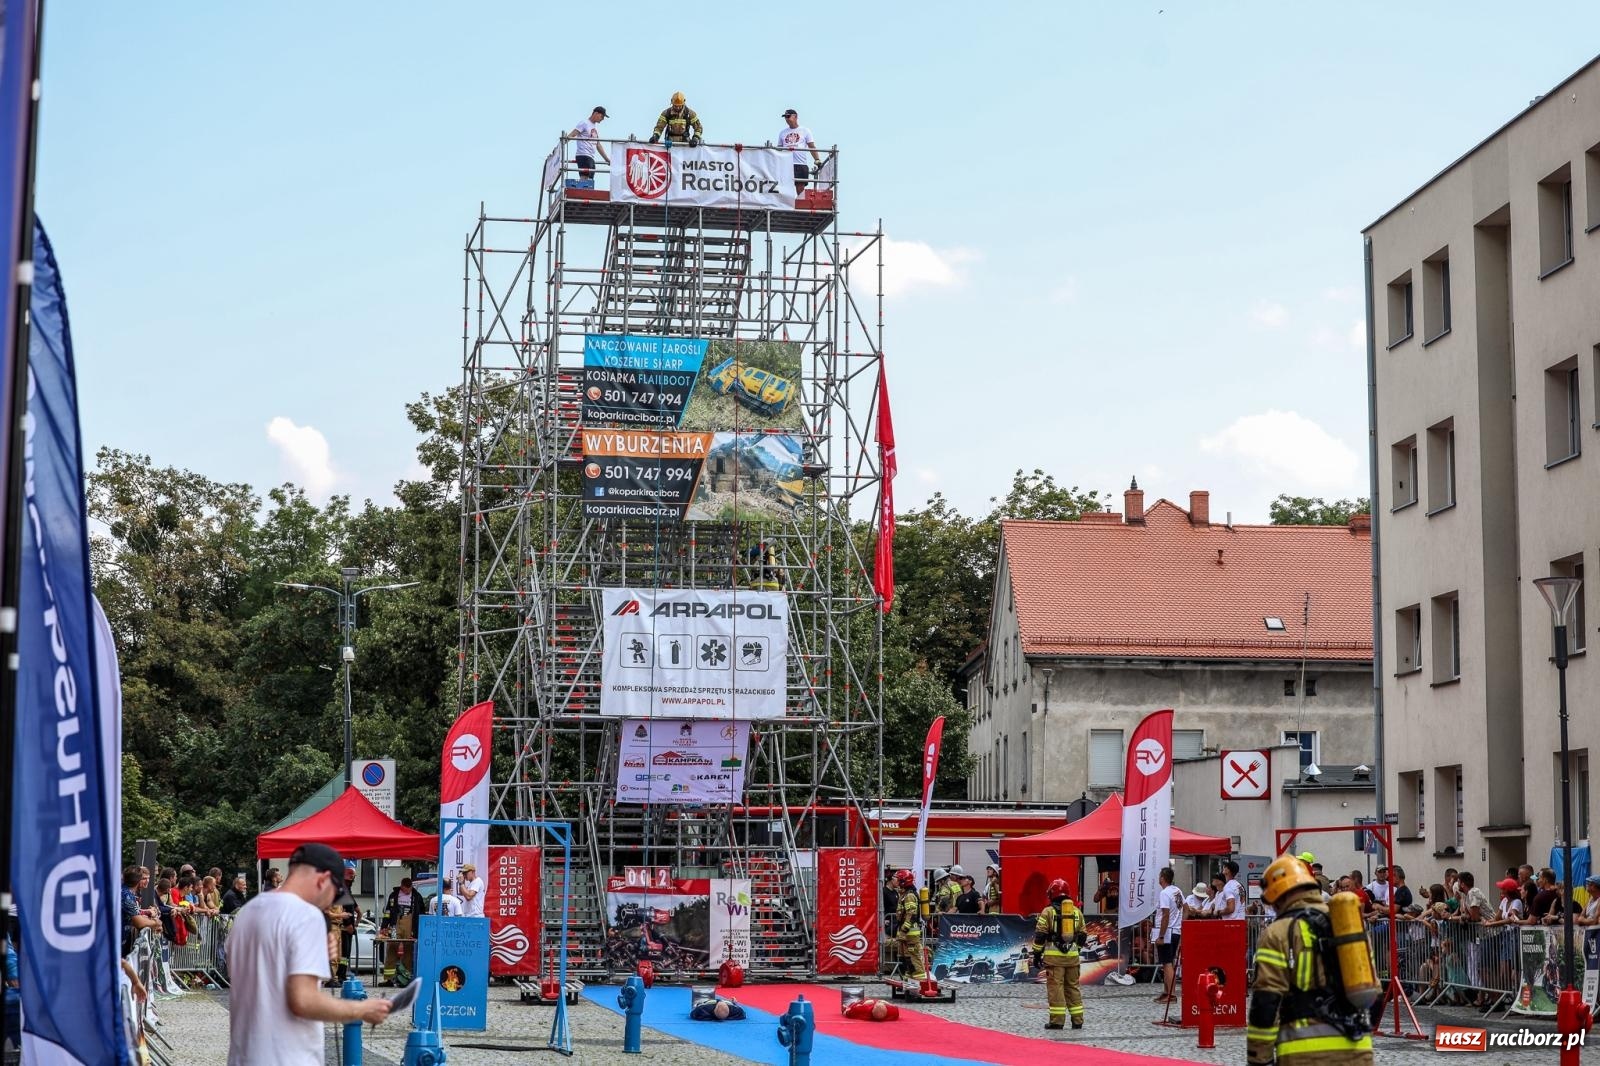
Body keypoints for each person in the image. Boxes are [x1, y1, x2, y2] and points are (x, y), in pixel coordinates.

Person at [226, 842, 391, 1066]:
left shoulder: (248, 913)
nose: (331, 903)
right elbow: (303, 1001)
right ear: (323, 880)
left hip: (244, 1055)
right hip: (287, 1056)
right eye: (334, 894)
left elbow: (265, 977)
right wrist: (361, 1009)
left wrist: (317, 957)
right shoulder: (306, 915)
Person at [1247, 854, 1374, 1065]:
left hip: (1304, 1053)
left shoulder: (1278, 933)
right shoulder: (1348, 924)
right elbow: (1371, 992)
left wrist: (1258, 1059)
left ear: (1279, 896)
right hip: (1357, 1049)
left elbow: (1266, 1004)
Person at [1031, 877, 1086, 1030]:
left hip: (1054, 960)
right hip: (1073, 959)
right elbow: (1083, 935)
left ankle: (1057, 1021)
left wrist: (1036, 954)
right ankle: (1078, 1020)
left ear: (1051, 894)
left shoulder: (1048, 912)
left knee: (1056, 989)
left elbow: (1040, 934)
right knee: (1073, 987)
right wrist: (1076, 950)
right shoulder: (1076, 912)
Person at [380, 876, 426, 986]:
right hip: (395, 924)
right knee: (391, 949)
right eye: (406, 889)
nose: (408, 891)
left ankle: (405, 978)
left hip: (410, 925)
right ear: (401, 886)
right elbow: (387, 911)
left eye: (409, 889)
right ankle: (389, 979)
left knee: (408, 952)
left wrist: (417, 930)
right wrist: (384, 925)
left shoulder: (416, 896)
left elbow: (421, 913)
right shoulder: (394, 895)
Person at [1154, 867, 1184, 1004]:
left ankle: (1171, 994)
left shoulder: (1164, 893)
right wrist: (1181, 922)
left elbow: (1165, 914)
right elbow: (1187, 908)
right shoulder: (1177, 891)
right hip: (1176, 930)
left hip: (1167, 932)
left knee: (1166, 963)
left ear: (1162, 878)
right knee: (1168, 962)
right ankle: (1166, 992)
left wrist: (1161, 935)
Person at [891, 869, 927, 981]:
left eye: (896, 878)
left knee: (913, 956)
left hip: (910, 933)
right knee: (905, 957)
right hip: (905, 933)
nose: (893, 880)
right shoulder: (904, 894)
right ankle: (909, 977)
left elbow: (911, 915)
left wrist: (903, 931)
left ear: (903, 881)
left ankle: (919, 979)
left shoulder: (909, 896)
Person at [776, 109, 821, 191]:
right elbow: (779, 149)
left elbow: (811, 146)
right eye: (785, 117)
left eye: (788, 116)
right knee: (784, 188)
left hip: (800, 163)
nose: (786, 119)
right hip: (786, 164)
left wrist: (817, 159)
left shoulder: (805, 130)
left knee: (800, 188)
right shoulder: (782, 133)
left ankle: (800, 204)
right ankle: (788, 204)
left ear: (795, 116)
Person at [334, 865, 362, 982]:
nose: (352, 881)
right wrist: (350, 925)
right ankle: (340, 975)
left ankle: (342, 974)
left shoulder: (346, 891)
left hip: (348, 928)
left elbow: (357, 909)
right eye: (351, 879)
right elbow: (344, 910)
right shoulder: (342, 891)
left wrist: (356, 922)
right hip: (344, 928)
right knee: (343, 954)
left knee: (346, 955)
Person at [569, 106, 609, 182]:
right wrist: (563, 142)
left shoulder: (594, 127)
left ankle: (582, 191)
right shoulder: (584, 123)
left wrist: (607, 160)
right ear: (596, 113)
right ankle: (580, 192)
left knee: (590, 180)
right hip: (583, 154)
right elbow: (573, 134)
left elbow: (598, 145)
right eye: (602, 116)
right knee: (585, 178)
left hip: (590, 157)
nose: (602, 119)